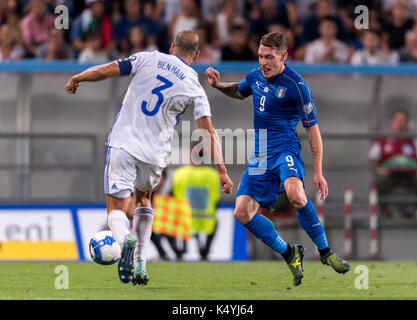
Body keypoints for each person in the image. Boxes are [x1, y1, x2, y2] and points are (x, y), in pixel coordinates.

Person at [65, 30, 234, 286]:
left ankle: (125, 240)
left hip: (124, 143)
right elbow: (207, 131)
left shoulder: (147, 58)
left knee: (116, 209)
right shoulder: (194, 84)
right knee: (144, 198)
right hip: (155, 154)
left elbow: (107, 70)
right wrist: (221, 169)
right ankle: (141, 262)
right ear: (197, 55)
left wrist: (79, 77)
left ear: (172, 46)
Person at [205, 31, 350, 286]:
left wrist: (318, 171)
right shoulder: (254, 76)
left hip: (285, 150)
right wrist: (218, 85)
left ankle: (325, 252)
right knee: (241, 212)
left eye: (269, 57)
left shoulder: (296, 86)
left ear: (283, 56)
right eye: (260, 56)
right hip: (260, 155)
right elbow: (238, 92)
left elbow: (313, 130)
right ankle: (289, 252)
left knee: (295, 194)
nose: (263, 62)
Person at [368, 108, 417, 218]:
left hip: (411, 175)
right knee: (379, 182)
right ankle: (385, 210)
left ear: (406, 123)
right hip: (391, 175)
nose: (399, 123)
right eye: (397, 120)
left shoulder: (414, 140)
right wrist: (378, 169)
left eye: (402, 120)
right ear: (392, 122)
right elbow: (372, 159)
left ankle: (416, 209)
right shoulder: (383, 140)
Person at [172, 146, 221, 260]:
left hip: (184, 217)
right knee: (215, 224)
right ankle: (205, 252)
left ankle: (180, 250)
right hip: (206, 218)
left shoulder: (180, 173)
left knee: (172, 220)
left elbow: (174, 195)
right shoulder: (213, 174)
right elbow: (216, 198)